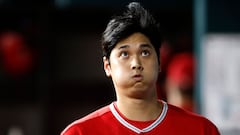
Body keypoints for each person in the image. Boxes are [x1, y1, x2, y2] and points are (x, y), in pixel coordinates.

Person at [61, 2, 220, 135]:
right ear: (107, 66)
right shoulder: (80, 132)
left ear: (159, 62)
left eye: (145, 52)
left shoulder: (201, 130)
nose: (136, 63)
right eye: (124, 54)